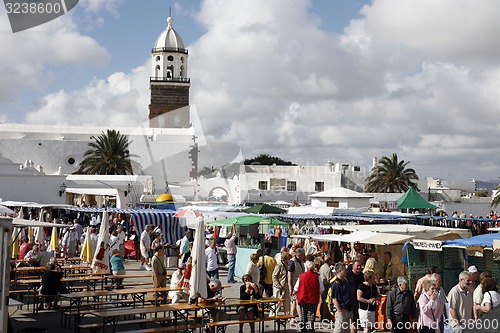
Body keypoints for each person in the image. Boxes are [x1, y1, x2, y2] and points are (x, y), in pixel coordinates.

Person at [294, 260, 324, 333]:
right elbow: (322, 288)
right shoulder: (317, 277)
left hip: (303, 298)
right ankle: (310, 330)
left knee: (303, 316)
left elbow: (296, 288)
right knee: (311, 316)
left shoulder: (301, 276)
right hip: (313, 299)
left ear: (306, 268)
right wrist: (317, 293)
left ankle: (303, 330)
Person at [346, 258, 364, 333]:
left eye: (360, 266)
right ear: (353, 266)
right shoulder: (348, 275)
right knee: (350, 321)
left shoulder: (362, 275)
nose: (359, 268)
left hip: (359, 301)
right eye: (357, 266)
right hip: (350, 300)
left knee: (356, 320)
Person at [288, 247, 306, 321]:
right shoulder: (292, 262)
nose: (304, 256)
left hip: (300, 285)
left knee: (295, 302)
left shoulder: (301, 261)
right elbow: (289, 275)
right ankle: (298, 318)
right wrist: (290, 287)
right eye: (303, 254)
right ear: (299, 255)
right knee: (296, 301)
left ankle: (293, 317)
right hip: (294, 284)